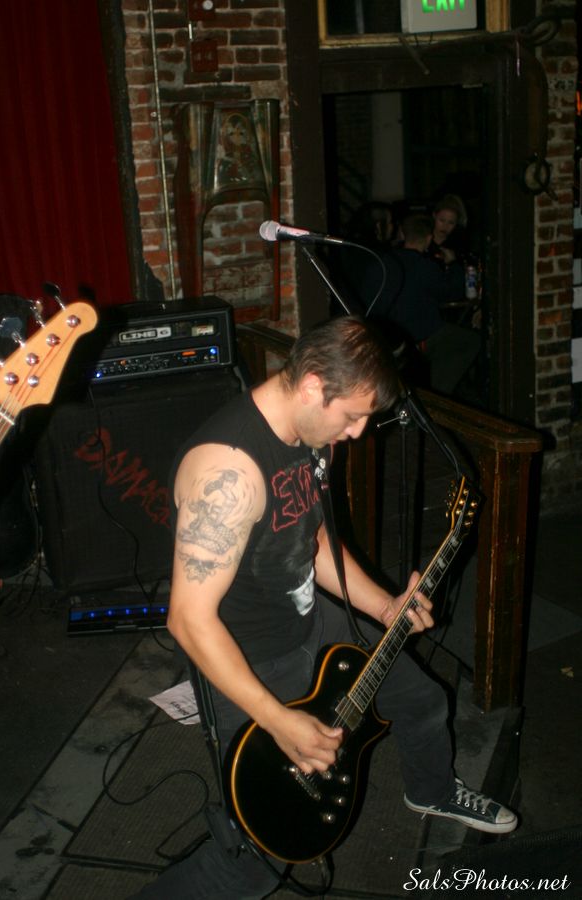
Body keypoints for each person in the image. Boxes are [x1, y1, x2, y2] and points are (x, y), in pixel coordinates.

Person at [131, 316, 516, 900]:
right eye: (353, 416)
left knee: (420, 700)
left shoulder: (311, 435)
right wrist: (275, 718)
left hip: (314, 618)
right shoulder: (228, 473)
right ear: (313, 385)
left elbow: (308, 540)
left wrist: (384, 605)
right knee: (259, 858)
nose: (358, 433)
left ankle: (432, 791)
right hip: (252, 659)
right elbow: (188, 619)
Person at [379, 213, 481, 396]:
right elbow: (451, 292)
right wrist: (454, 264)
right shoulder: (425, 266)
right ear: (428, 239)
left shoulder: (386, 261)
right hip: (421, 335)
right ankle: (436, 394)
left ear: (402, 234)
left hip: (391, 333)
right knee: (470, 341)